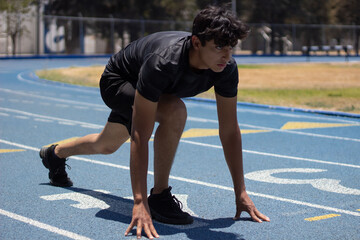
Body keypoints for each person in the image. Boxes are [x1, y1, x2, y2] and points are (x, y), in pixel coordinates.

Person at [39, 5, 270, 239]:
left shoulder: (226, 68)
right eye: (219, 47)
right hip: (119, 81)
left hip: (157, 89)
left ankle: (55, 154)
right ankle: (159, 196)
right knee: (175, 112)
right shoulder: (163, 62)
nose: (226, 55)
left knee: (106, 145)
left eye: (231, 48)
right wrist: (139, 202)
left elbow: (229, 130)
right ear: (197, 43)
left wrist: (240, 192)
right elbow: (140, 134)